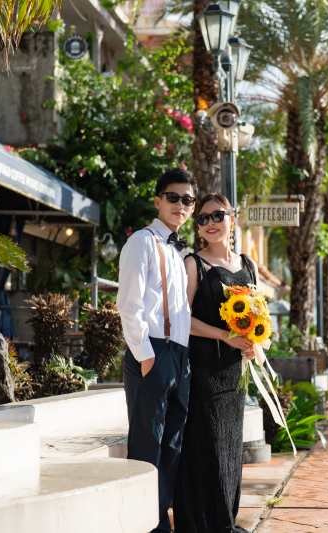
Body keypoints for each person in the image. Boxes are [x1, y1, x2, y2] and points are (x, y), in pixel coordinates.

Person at [117, 168, 197, 533]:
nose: (181, 205)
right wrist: (146, 356)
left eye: (188, 200)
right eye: (174, 197)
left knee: (172, 447)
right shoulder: (142, 242)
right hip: (153, 354)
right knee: (147, 445)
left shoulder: (179, 253)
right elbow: (129, 305)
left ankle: (158, 521)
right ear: (158, 200)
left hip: (179, 357)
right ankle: (143, 524)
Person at [174, 194, 258, 533]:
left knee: (229, 449)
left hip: (235, 374)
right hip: (205, 371)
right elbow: (182, 320)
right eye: (203, 218)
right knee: (207, 448)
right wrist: (225, 337)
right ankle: (206, 525)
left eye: (217, 216)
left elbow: (257, 316)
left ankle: (225, 520)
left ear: (232, 219)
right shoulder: (194, 264)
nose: (210, 223)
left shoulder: (248, 265)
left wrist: (254, 345)